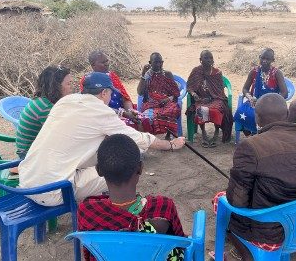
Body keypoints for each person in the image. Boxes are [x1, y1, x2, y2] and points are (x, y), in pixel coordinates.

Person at [18, 72, 185, 206]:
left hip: (27, 180)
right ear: (104, 93)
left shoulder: (66, 101)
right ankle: (118, 210)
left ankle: (102, 204)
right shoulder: (99, 111)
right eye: (110, 93)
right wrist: (170, 145)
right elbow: (139, 139)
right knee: (123, 168)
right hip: (51, 191)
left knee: (104, 154)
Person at [213, 93, 296, 261]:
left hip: (268, 233)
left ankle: (246, 254)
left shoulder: (250, 146)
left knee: (221, 203)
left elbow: (238, 201)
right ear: (287, 114)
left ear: (257, 119)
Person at [78, 134, 185, 261]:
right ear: (140, 168)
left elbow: (89, 253)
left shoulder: (87, 211)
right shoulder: (163, 207)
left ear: (99, 170)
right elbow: (180, 245)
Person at [82, 50, 151, 132]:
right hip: (103, 115)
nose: (107, 63)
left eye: (107, 61)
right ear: (93, 65)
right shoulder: (87, 80)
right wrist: (123, 114)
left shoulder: (112, 76)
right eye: (103, 62)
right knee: (126, 125)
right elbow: (93, 106)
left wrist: (130, 110)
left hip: (122, 110)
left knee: (143, 119)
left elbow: (125, 97)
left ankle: (143, 142)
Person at [16, 65, 74, 160]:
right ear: (56, 86)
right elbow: (62, 136)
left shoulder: (43, 100)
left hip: (33, 150)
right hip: (30, 156)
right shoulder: (46, 108)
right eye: (68, 84)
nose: (72, 87)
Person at [233, 48, 288, 136]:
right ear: (259, 57)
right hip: (255, 102)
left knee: (267, 117)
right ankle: (251, 136)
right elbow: (245, 89)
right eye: (262, 58)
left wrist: (274, 102)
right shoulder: (254, 71)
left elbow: (284, 93)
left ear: (272, 60)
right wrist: (250, 97)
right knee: (241, 112)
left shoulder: (277, 73)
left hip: (271, 104)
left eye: (267, 59)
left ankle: (261, 136)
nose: (264, 61)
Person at [186, 50, 233, 147]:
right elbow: (190, 86)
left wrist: (211, 97)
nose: (209, 60)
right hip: (201, 99)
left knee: (216, 110)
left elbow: (220, 91)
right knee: (200, 110)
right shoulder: (196, 71)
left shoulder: (217, 73)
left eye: (211, 58)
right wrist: (194, 94)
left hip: (216, 98)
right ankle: (203, 132)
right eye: (206, 58)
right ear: (200, 60)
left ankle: (216, 131)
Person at [137, 52, 181, 139]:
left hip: (167, 103)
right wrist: (143, 76)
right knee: (146, 117)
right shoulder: (147, 76)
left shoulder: (167, 74)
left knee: (173, 110)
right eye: (155, 62)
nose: (158, 64)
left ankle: (168, 135)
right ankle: (152, 137)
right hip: (151, 104)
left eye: (160, 62)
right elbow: (140, 92)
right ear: (150, 63)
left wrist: (167, 99)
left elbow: (175, 93)